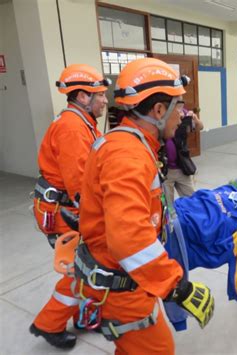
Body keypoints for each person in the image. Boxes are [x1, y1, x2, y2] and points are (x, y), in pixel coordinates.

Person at [76, 58, 214, 354]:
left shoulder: (133, 145)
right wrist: (177, 287)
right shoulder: (128, 156)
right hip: (121, 286)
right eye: (179, 106)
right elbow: (129, 239)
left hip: (128, 278)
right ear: (159, 111)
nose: (183, 115)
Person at [29, 64, 109, 349]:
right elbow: (79, 185)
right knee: (82, 267)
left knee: (86, 266)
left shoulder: (81, 123)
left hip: (65, 208)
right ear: (82, 97)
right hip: (66, 212)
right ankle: (48, 324)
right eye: (100, 94)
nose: (105, 100)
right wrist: (100, 215)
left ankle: (85, 318)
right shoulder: (73, 128)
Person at [163, 108, 203, 202]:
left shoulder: (184, 112)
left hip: (182, 167)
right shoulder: (161, 113)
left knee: (192, 199)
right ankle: (172, 216)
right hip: (166, 170)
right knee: (168, 204)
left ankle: (193, 215)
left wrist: (195, 119)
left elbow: (200, 127)